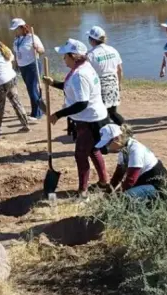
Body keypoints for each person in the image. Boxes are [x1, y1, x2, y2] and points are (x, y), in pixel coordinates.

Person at [43, 38, 109, 200]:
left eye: (65, 56)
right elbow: (71, 87)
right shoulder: (83, 68)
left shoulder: (80, 75)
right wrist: (54, 83)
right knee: (93, 150)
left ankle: (83, 192)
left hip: (89, 120)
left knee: (81, 155)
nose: (63, 59)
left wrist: (58, 114)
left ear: (73, 56)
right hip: (94, 117)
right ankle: (103, 181)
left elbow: (82, 103)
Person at [95, 123, 167, 199]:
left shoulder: (136, 150)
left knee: (126, 197)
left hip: (159, 186)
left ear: (116, 139)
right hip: (145, 182)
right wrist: (109, 192)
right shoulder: (124, 149)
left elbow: (131, 179)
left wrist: (117, 196)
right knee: (124, 194)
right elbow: (118, 174)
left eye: (108, 144)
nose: (107, 147)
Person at [86, 26, 124, 126]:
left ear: (91, 40)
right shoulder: (113, 50)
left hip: (100, 86)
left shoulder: (90, 55)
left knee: (101, 114)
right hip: (113, 83)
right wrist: (119, 84)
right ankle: (126, 130)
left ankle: (106, 135)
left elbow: (87, 74)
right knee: (113, 112)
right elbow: (119, 69)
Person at [10, 18, 45, 122]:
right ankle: (41, 109)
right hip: (23, 67)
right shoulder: (17, 39)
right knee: (31, 89)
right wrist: (16, 64)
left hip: (32, 65)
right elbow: (17, 53)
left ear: (22, 27)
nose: (15, 31)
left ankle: (36, 114)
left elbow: (42, 51)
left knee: (32, 89)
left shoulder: (33, 38)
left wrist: (37, 49)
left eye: (16, 29)